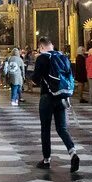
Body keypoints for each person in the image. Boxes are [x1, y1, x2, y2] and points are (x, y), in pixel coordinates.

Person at [32, 37, 80, 172]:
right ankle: (73, 153)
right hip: (62, 97)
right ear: (51, 45)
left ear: (41, 47)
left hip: (47, 97)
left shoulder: (42, 58)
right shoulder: (63, 57)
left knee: (45, 129)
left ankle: (46, 160)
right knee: (62, 128)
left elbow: (35, 79)